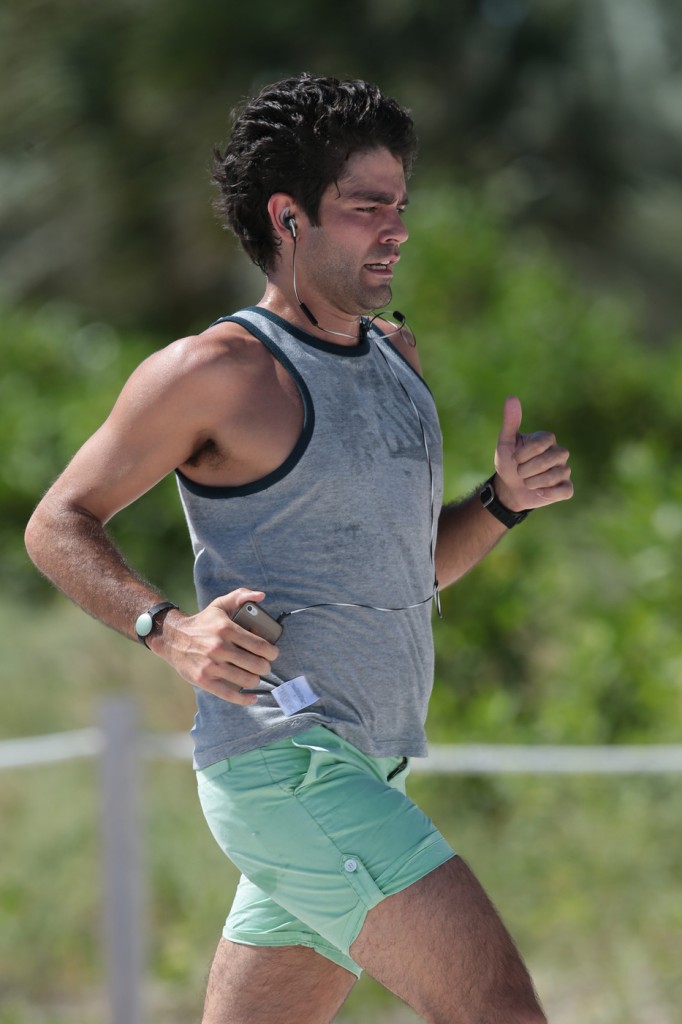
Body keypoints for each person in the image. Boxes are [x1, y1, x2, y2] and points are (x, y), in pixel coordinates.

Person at [25, 73, 573, 1024]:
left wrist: (502, 503)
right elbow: (56, 523)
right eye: (368, 207)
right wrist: (167, 629)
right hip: (290, 767)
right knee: (502, 1011)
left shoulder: (394, 362)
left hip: (370, 764)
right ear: (289, 217)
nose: (397, 228)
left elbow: (410, 571)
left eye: (401, 204)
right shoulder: (215, 372)